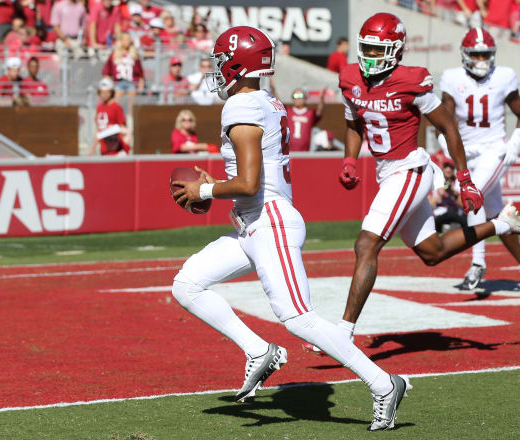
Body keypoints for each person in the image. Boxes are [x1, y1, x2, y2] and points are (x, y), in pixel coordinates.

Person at [170, 25, 408, 432]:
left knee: (299, 318)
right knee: (187, 284)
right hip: (254, 222)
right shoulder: (267, 102)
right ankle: (259, 350)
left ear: (238, 64)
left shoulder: (241, 106)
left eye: (222, 59)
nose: (217, 67)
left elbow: (247, 183)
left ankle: (385, 383)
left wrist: (205, 188)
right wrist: (212, 186)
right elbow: (249, 178)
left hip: (269, 221)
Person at [332, 14, 520, 347]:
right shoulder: (349, 78)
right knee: (432, 252)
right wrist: (349, 159)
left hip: (410, 170)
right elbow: (354, 123)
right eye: (366, 48)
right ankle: (501, 225)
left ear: (397, 51)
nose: (370, 56)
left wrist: (466, 178)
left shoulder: (413, 80)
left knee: (366, 244)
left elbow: (447, 127)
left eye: (378, 49)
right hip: (387, 172)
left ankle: (342, 332)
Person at [439, 27, 520, 293]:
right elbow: (444, 120)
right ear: (465, 55)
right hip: (467, 154)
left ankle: (478, 264)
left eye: (486, 54)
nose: (482, 60)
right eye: (476, 54)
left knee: (472, 196)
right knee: (496, 214)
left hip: (494, 150)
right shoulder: (452, 78)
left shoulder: (504, 76)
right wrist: (443, 142)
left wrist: (514, 143)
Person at [102, 32, 144, 109]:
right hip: (118, 82)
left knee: (132, 97)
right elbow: (107, 72)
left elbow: (140, 73)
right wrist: (110, 84)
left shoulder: (134, 55)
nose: (127, 41)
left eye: (128, 39)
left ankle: (131, 116)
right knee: (117, 96)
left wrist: (141, 85)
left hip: (132, 82)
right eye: (125, 39)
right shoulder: (114, 55)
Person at [91, 78, 130, 156]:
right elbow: (98, 130)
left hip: (115, 150)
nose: (104, 95)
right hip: (104, 150)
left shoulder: (116, 107)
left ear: (111, 93)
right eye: (101, 92)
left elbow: (123, 129)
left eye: (106, 92)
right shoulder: (99, 107)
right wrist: (92, 149)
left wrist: (112, 128)